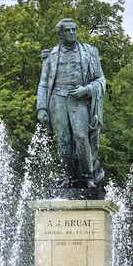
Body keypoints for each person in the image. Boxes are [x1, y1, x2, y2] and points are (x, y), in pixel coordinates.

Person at [36, 18, 105, 188]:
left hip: (78, 99)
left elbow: (101, 79)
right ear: (60, 34)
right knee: (63, 140)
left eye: (74, 29)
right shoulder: (51, 55)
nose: (72, 33)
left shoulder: (89, 52)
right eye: (68, 30)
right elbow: (43, 83)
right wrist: (41, 108)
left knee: (81, 137)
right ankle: (68, 177)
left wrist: (87, 89)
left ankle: (88, 176)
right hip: (57, 99)